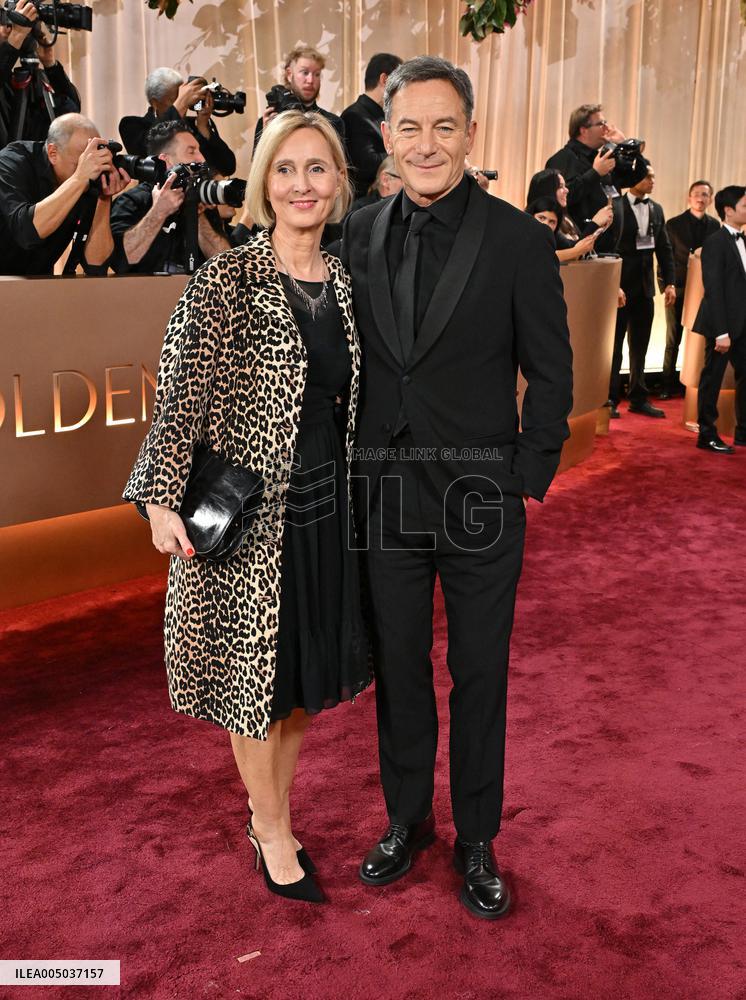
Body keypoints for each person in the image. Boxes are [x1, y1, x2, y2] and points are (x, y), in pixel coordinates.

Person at [340, 56, 573, 920]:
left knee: (479, 672)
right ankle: (407, 820)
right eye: (409, 127)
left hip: (481, 501)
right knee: (400, 669)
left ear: (470, 132)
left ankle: (477, 836)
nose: (426, 143)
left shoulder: (517, 239)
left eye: (444, 126)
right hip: (385, 498)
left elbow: (551, 372)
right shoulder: (358, 232)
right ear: (387, 136)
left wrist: (526, 477)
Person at [123, 110, 370, 903]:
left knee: (295, 676)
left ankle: (275, 812)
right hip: (250, 516)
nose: (303, 184)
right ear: (264, 182)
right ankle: (270, 828)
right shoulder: (227, 279)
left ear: (339, 185)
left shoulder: (345, 282)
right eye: (287, 169)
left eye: (318, 169)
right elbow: (180, 395)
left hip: (326, 505)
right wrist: (160, 499)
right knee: (250, 677)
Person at [0, 112, 129, 275]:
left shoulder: (88, 182)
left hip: (36, 288)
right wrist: (79, 178)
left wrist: (104, 198)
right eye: (80, 163)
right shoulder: (13, 161)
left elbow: (96, 265)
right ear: (53, 153)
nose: (91, 171)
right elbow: (27, 233)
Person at [110, 120, 231, 274]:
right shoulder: (132, 201)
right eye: (191, 151)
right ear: (165, 161)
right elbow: (122, 261)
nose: (202, 159)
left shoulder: (202, 201)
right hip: (141, 295)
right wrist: (158, 212)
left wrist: (197, 216)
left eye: (200, 151)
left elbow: (226, 266)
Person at [607, 165, 676, 418]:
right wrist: (613, 284)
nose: (652, 181)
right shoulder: (615, 206)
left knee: (640, 347)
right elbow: (609, 247)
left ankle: (638, 397)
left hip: (646, 290)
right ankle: (610, 398)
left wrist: (669, 282)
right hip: (620, 290)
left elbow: (665, 249)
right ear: (634, 178)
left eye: (654, 177)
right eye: (648, 176)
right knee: (613, 348)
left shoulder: (657, 209)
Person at [545, 103, 648, 253]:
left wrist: (625, 145)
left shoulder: (603, 156)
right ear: (583, 130)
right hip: (580, 248)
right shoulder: (562, 159)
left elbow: (637, 176)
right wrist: (595, 173)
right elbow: (563, 198)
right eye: (601, 123)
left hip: (610, 247)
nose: (606, 128)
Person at [694, 185, 746, 454]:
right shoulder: (715, 242)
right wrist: (722, 332)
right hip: (721, 324)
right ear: (728, 210)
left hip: (743, 323)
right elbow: (713, 288)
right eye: (745, 206)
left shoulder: (744, 239)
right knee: (712, 378)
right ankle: (706, 432)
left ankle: (743, 432)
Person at [659, 180, 719, 398]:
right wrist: (667, 286)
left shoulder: (715, 226)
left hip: (704, 293)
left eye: (705, 195)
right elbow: (665, 260)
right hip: (678, 289)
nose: (700, 199)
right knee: (672, 339)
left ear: (710, 199)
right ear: (689, 197)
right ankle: (667, 385)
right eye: (696, 194)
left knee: (701, 340)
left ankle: (694, 384)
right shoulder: (673, 224)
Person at [118, 67, 236, 176]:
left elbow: (227, 167)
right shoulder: (132, 125)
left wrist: (203, 127)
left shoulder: (194, 125)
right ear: (155, 103)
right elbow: (148, 151)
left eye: (183, 96)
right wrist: (181, 103)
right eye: (175, 100)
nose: (184, 102)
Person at [0, 1, 81, 147]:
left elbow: (72, 113)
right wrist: (15, 38)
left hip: (40, 166)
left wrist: (51, 65)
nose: (7, 27)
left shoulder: (36, 79)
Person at [253, 45, 345, 152]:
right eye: (305, 72)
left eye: (317, 74)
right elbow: (258, 167)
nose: (310, 80)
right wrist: (267, 137)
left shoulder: (334, 122)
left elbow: (343, 166)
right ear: (289, 74)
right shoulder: (270, 121)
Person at [341, 52, 402, 198]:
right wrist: (402, 149)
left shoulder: (382, 115)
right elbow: (365, 165)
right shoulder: (354, 115)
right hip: (364, 204)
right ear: (385, 79)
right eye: (400, 84)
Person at [526, 168, 612, 241]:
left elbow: (578, 247)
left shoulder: (564, 217)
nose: (567, 190)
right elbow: (572, 250)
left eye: (565, 186)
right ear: (546, 190)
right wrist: (595, 223)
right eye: (560, 187)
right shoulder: (537, 220)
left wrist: (599, 227)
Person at [525, 196, 599, 262]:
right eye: (541, 218)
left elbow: (571, 246)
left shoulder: (553, 236)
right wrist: (576, 251)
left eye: (552, 222)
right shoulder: (521, 233)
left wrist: (596, 225)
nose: (546, 224)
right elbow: (540, 257)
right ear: (531, 216)